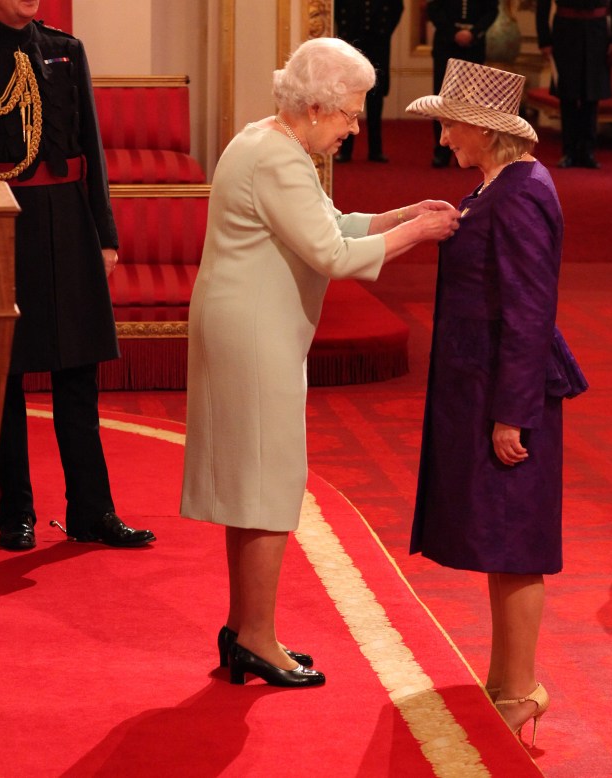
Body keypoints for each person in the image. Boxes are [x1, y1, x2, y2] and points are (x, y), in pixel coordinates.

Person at [179, 37, 460, 689]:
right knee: (270, 483)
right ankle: (256, 635)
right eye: (350, 115)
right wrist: (419, 232)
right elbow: (333, 257)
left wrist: (402, 213)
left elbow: (331, 224)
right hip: (253, 332)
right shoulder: (276, 156)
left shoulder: (273, 143)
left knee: (254, 483)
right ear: (313, 106)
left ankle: (244, 629)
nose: (356, 128)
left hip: (251, 325)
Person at [0, 0, 155, 551]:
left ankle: (92, 512)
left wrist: (106, 234)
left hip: (70, 223)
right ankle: (15, 515)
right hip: (0, 226)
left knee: (79, 375)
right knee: (5, 377)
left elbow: (89, 149)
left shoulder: (65, 51)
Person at [406, 58, 587, 744]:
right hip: (481, 389)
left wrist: (513, 412)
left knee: (516, 542)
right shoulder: (497, 185)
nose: (445, 137)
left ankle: (518, 691)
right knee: (500, 539)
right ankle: (503, 681)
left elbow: (530, 311)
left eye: (452, 125)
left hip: (507, 396)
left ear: (485, 130)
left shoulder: (522, 193)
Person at [536, 0, 612, 168]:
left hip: (597, 33)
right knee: (567, 95)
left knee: (591, 95)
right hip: (565, 33)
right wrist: (544, 40)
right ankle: (569, 151)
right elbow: (543, 5)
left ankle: (588, 151)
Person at [426, 0, 500, 167]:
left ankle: (469, 153)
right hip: (446, 46)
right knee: (443, 103)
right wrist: (454, 33)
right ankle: (442, 150)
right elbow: (433, 8)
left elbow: (492, 11)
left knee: (471, 103)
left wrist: (474, 32)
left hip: (474, 47)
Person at [333, 0, 404, 163]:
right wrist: (345, 30)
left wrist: (385, 32)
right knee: (348, 99)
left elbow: (397, 8)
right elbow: (337, 8)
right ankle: (345, 150)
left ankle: (376, 150)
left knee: (375, 99)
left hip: (378, 43)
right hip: (352, 42)